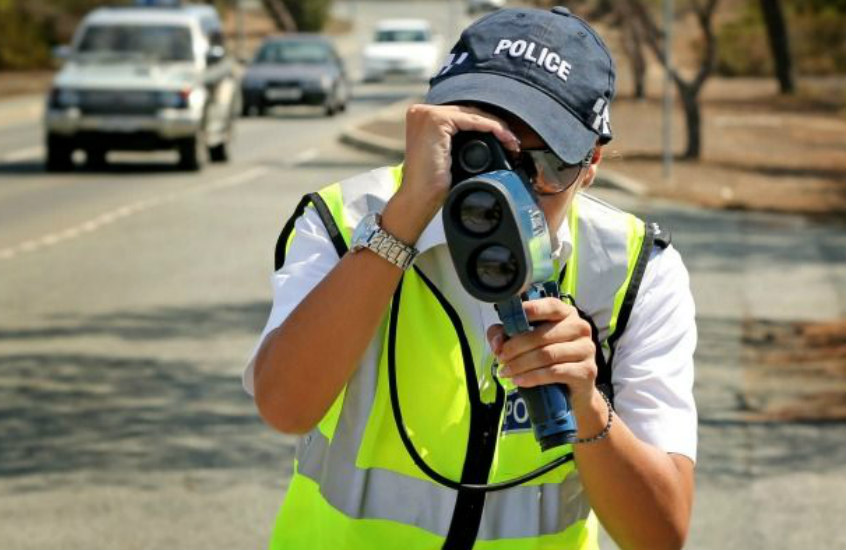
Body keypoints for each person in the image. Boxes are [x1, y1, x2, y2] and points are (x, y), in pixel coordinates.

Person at [245, 6, 697, 550]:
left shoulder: (631, 269)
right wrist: (402, 221)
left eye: (545, 162)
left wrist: (587, 402)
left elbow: (659, 535)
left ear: (591, 161)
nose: (511, 189)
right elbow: (285, 406)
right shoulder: (345, 222)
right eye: (479, 152)